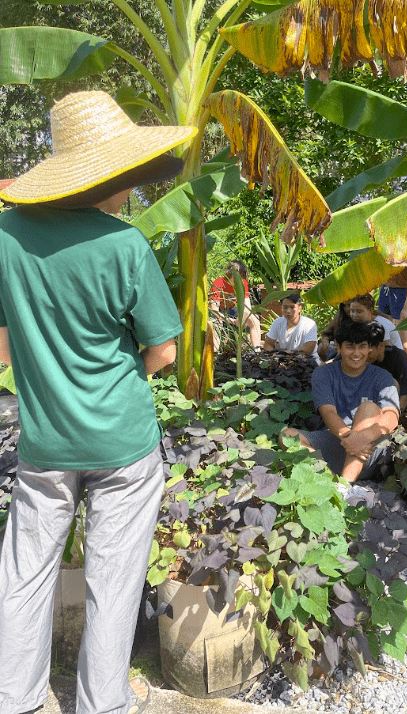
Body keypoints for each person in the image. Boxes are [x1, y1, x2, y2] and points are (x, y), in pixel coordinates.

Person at [0, 90, 196, 714]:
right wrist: (110, 380)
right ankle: (102, 703)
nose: (133, 187)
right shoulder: (124, 245)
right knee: (113, 582)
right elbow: (163, 351)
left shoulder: (5, 238)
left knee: (25, 575)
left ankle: (15, 698)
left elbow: (4, 349)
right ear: (108, 174)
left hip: (44, 443)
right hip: (122, 444)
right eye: (127, 173)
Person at [279, 322, 399, 483]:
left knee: (368, 408)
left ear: (369, 348)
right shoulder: (323, 374)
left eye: (362, 347)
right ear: (339, 348)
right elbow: (328, 412)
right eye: (350, 347)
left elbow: (392, 416)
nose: (356, 353)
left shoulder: (382, 376)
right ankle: (330, 481)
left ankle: (344, 487)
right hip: (338, 441)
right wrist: (350, 438)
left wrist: (362, 438)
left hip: (369, 449)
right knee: (287, 436)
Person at [209, 260, 261, 349]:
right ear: (229, 274)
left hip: (231, 311)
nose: (240, 280)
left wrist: (243, 318)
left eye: (242, 277)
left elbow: (247, 306)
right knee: (216, 323)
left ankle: (256, 351)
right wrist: (231, 321)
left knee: (254, 320)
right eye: (237, 277)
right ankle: (215, 354)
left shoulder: (243, 283)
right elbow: (214, 311)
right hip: (218, 313)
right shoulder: (218, 283)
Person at [378, 266, 407, 373]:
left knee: (406, 343)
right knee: (385, 337)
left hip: (401, 293)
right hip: (385, 289)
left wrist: (406, 307)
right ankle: (389, 372)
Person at [367, 322, 407, 412]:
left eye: (369, 352)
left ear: (381, 346)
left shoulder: (400, 357)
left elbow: (404, 398)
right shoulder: (360, 358)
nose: (364, 355)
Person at [264, 293, 320, 364]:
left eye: (292, 307)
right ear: (281, 308)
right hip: (285, 361)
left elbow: (309, 348)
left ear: (300, 308)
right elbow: (268, 343)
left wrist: (289, 354)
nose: (288, 311)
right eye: (285, 307)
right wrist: (273, 356)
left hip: (308, 361)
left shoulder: (309, 324)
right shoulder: (277, 322)